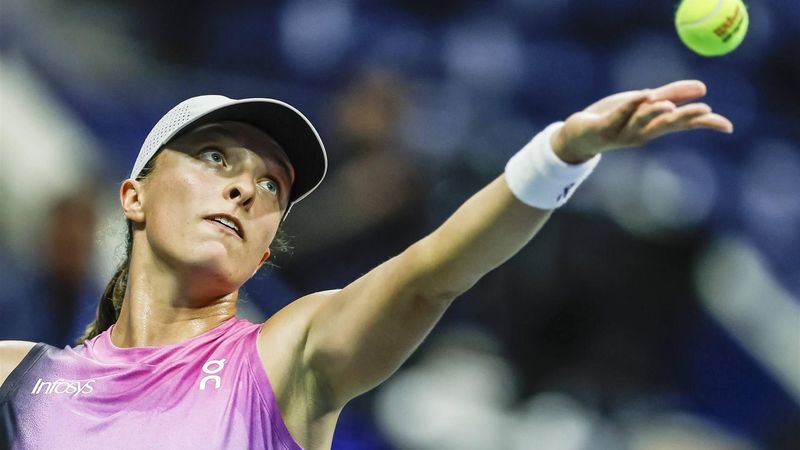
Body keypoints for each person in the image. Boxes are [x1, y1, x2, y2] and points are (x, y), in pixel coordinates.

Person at [0, 80, 732, 450]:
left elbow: (428, 277)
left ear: (265, 247)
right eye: (215, 155)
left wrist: (559, 156)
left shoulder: (287, 359)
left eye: (271, 186)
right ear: (134, 195)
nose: (243, 187)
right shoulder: (17, 379)